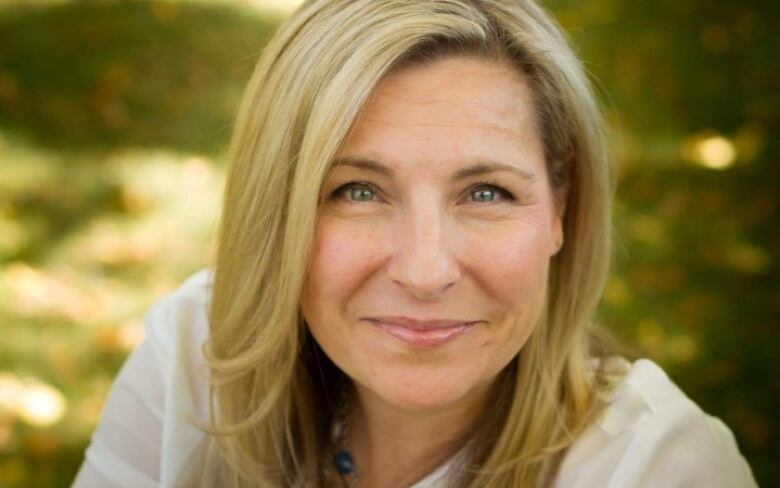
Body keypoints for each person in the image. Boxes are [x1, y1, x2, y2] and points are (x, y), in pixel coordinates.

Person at [72, 1, 758, 487]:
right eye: (357, 191)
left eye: (486, 192)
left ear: (561, 211)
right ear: (276, 209)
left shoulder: (659, 469)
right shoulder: (195, 361)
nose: (426, 271)